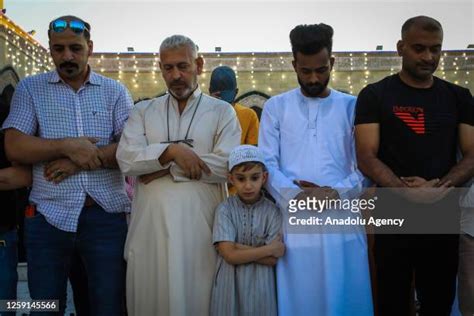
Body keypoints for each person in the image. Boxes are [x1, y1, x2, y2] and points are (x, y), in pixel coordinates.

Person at [3, 15, 133, 315]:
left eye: (75, 48)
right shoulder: (30, 89)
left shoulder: (115, 91)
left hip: (105, 219)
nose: (67, 56)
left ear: (90, 47)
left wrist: (82, 160)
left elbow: (132, 147)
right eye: (58, 49)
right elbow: (15, 145)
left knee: (108, 306)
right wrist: (66, 145)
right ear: (50, 48)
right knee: (45, 306)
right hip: (47, 220)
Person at [355, 16, 474, 316]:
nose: (429, 57)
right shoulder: (375, 95)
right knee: (391, 299)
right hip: (392, 212)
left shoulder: (458, 97)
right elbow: (366, 156)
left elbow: (473, 153)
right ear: (400, 48)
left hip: (442, 212)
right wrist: (405, 191)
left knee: (438, 300)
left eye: (436, 49)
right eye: (419, 48)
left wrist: (440, 187)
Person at [116, 34, 241, 315]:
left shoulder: (222, 112)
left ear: (198, 64)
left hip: (201, 230)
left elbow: (228, 166)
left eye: (183, 66)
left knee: (200, 299)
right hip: (151, 231)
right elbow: (127, 160)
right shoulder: (143, 111)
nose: (176, 75)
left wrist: (164, 165)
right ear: (160, 68)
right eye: (168, 68)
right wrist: (172, 151)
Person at [258, 23, 373, 315]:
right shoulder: (276, 107)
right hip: (296, 223)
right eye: (305, 71)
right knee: (301, 300)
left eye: (321, 70)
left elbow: (366, 163)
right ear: (294, 64)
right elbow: (267, 162)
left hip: (342, 221)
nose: (313, 78)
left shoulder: (352, 106)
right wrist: (296, 197)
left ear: (331, 62)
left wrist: (336, 192)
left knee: (345, 297)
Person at [210, 145, 283, 316]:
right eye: (241, 179)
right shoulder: (224, 209)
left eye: (254, 178)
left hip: (262, 289)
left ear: (264, 178)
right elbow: (229, 255)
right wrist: (268, 249)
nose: (248, 185)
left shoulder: (273, 211)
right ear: (230, 179)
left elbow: (272, 260)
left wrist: (236, 247)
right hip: (229, 287)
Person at [209, 66, 259, 145]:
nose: (224, 105)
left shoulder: (248, 115)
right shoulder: (201, 113)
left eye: (226, 99)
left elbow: (253, 151)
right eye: (219, 98)